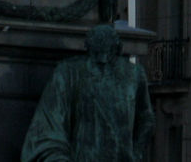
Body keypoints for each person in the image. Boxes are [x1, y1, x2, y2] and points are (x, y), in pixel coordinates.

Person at [21, 25, 155, 162]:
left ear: (117, 49)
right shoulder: (70, 72)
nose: (102, 60)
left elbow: (146, 118)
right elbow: (47, 128)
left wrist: (137, 153)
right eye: (97, 55)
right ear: (88, 49)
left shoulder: (134, 74)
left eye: (108, 55)